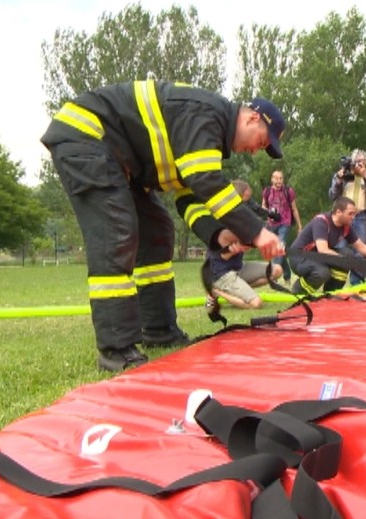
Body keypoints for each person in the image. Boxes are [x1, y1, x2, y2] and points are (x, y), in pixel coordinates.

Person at [41, 80, 285, 371]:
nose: (257, 150)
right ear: (252, 117)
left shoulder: (208, 136)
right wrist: (256, 231)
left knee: (157, 231)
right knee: (117, 231)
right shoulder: (206, 113)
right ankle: (116, 349)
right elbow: (206, 181)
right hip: (85, 138)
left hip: (120, 161)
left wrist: (220, 234)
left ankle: (158, 331)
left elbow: (191, 197)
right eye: (263, 141)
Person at [205, 181, 283, 311]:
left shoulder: (240, 219)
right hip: (221, 273)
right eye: (245, 201)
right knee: (256, 304)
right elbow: (221, 256)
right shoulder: (221, 221)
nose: (248, 205)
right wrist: (240, 247)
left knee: (276, 270)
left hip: (238, 268)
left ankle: (238, 291)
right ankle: (215, 292)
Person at [290, 196, 366, 295]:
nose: (353, 217)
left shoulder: (346, 227)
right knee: (322, 272)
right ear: (338, 212)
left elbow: (362, 248)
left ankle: (330, 294)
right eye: (350, 213)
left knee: (348, 255)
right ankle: (298, 290)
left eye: (354, 213)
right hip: (299, 257)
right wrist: (343, 260)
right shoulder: (321, 222)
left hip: (317, 257)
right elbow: (323, 250)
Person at [328, 149, 366, 284]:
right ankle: (336, 281)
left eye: (362, 162)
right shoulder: (343, 175)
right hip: (343, 218)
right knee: (341, 248)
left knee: (359, 251)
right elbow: (332, 195)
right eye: (357, 162)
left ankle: (356, 282)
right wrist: (339, 180)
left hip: (361, 216)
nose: (359, 165)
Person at [262, 170, 302, 283]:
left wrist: (299, 226)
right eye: (276, 178)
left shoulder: (288, 191)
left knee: (280, 246)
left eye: (281, 178)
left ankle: (274, 275)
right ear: (272, 179)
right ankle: (287, 275)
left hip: (285, 223)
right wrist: (267, 215)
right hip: (271, 223)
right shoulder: (267, 191)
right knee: (278, 249)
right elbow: (263, 206)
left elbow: (294, 209)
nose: (279, 181)